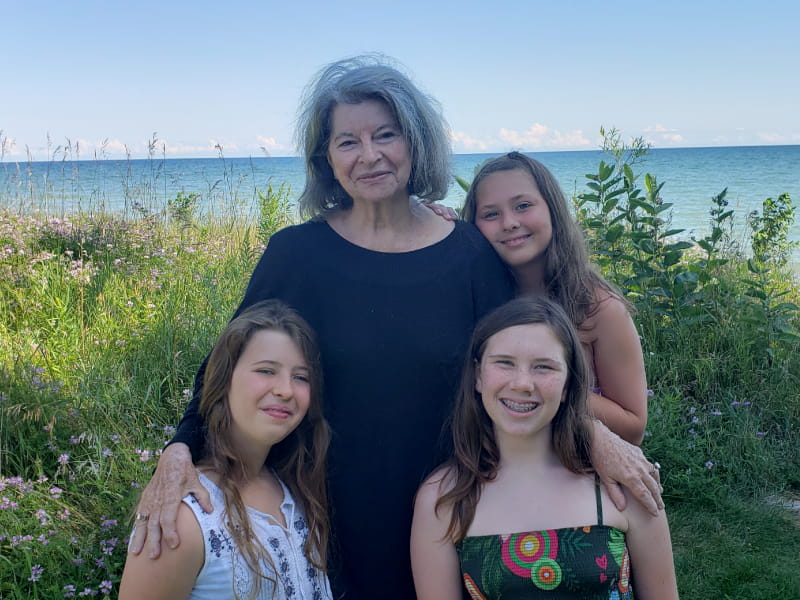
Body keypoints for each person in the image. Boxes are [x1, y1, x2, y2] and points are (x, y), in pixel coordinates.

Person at [128, 56, 661, 600]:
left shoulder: (470, 254)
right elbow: (227, 367)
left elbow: (521, 364)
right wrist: (179, 450)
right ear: (326, 160)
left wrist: (597, 436)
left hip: (453, 506)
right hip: (323, 512)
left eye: (386, 134)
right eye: (347, 142)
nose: (370, 155)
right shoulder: (296, 254)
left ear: (415, 142)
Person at [411, 296, 678, 599]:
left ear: (567, 386)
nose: (523, 383)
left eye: (543, 367)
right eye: (504, 363)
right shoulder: (444, 498)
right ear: (477, 377)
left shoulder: (623, 483)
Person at [119, 300, 332, 599]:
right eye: (266, 371)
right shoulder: (182, 516)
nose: (285, 389)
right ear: (224, 379)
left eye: (301, 377)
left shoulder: (297, 494)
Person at [436, 152, 648, 444]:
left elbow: (633, 428)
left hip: (571, 474)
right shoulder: (474, 298)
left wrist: (553, 383)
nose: (509, 223)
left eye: (523, 206)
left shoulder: (598, 307)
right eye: (490, 214)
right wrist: (434, 225)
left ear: (552, 209)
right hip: (486, 469)